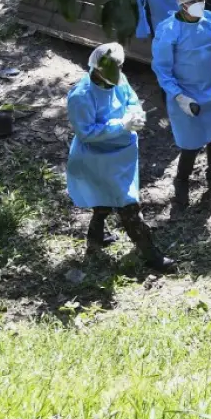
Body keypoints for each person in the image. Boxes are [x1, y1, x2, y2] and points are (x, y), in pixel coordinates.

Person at [66, 44, 175, 272]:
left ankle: (95, 238)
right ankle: (150, 254)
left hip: (121, 153)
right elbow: (86, 133)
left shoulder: (119, 79)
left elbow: (131, 100)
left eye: (118, 67)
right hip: (98, 158)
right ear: (96, 68)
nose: (116, 72)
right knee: (128, 205)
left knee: (104, 200)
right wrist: (120, 125)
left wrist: (135, 115)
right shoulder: (81, 95)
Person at [151, 0, 211, 209]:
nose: (200, 4)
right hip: (185, 93)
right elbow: (162, 69)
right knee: (190, 144)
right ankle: (181, 184)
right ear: (182, 4)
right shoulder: (169, 30)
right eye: (194, 1)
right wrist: (179, 96)